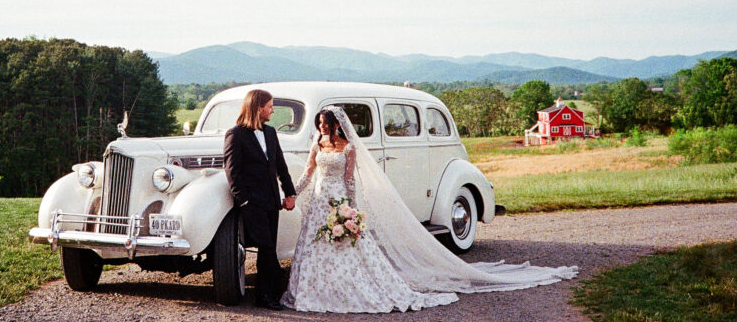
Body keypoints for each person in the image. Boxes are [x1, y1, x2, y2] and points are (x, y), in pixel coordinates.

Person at [282, 106, 578, 313]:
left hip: (339, 199)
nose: (321, 128)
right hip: (321, 199)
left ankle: (347, 288)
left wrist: (352, 210)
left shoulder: (348, 147)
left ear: (335, 124)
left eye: (324, 124)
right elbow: (309, 172)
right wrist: (294, 191)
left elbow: (349, 180)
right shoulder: (318, 143)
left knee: (346, 245)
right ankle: (316, 289)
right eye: (318, 124)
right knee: (314, 244)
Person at [223, 89, 297, 310]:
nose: (273, 110)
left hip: (272, 202)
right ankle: (273, 288)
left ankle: (265, 297)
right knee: (265, 247)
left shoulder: (271, 132)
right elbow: (232, 173)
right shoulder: (235, 134)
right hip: (251, 203)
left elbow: (280, 166)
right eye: (270, 106)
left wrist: (290, 193)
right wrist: (243, 201)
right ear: (258, 108)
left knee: (268, 250)